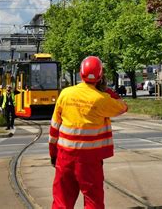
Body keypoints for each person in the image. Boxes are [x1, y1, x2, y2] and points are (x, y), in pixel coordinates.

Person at [49, 56, 128, 209]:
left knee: (61, 200)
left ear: (80, 73)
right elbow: (123, 107)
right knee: (93, 200)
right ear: (101, 76)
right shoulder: (101, 99)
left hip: (65, 156)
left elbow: (54, 128)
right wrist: (107, 91)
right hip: (90, 159)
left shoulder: (65, 94)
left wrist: (53, 154)